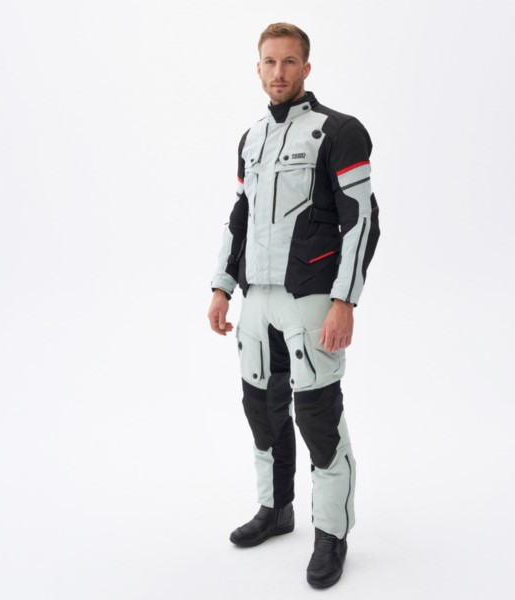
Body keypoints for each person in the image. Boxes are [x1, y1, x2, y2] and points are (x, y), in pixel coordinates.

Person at [207, 22, 380, 588]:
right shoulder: (251, 137)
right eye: (269, 62)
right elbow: (240, 217)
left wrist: (344, 300)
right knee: (261, 410)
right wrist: (221, 286)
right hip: (256, 300)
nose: (278, 72)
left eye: (288, 62)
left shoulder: (339, 131)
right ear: (258, 68)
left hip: (310, 300)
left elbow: (362, 221)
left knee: (317, 418)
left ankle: (331, 534)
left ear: (306, 68)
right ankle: (276, 510)